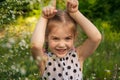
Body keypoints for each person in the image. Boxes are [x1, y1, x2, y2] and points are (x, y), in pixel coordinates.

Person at [31, 0, 102, 80]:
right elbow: (35, 46)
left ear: (74, 37)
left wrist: (75, 13)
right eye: (55, 38)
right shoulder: (45, 61)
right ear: (47, 37)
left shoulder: (78, 56)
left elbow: (96, 38)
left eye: (67, 38)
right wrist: (43, 17)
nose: (61, 44)